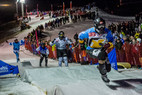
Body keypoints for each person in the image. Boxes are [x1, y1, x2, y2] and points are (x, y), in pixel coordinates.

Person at [78, 17, 113, 83]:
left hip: (101, 49)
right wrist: (81, 43)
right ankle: (103, 75)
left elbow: (112, 41)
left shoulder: (107, 31)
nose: (101, 28)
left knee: (108, 69)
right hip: (91, 49)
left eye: (102, 26)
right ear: (95, 26)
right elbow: (80, 35)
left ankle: (101, 66)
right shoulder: (89, 32)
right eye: (100, 26)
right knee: (102, 55)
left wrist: (109, 44)